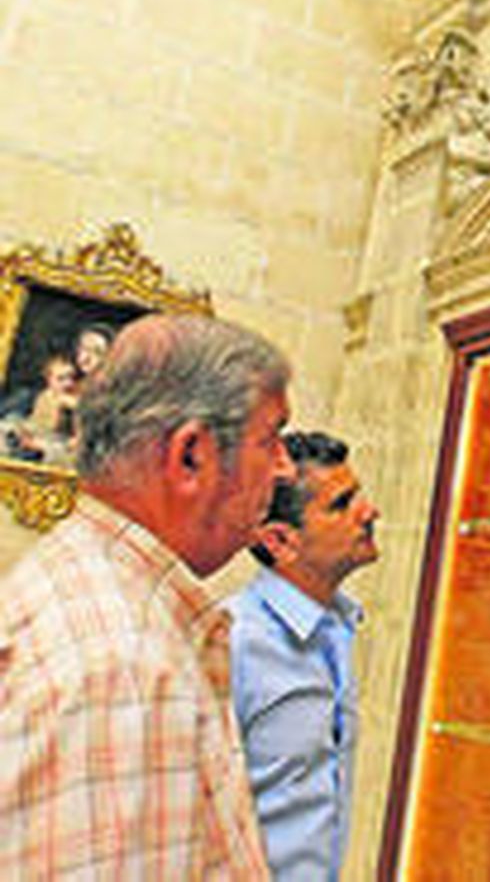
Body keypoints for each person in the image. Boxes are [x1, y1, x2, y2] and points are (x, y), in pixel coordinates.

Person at [0, 314, 293, 878]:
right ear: (190, 456)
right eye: (271, 438)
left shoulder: (81, 588)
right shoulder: (123, 675)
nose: (284, 468)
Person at [230, 430, 380, 881]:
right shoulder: (231, 644)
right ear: (279, 541)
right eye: (341, 504)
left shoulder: (339, 630)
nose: (369, 512)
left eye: (359, 495)